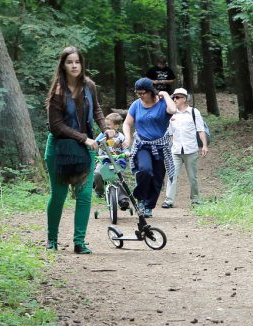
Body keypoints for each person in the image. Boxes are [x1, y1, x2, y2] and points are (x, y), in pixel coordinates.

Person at [44, 46, 114, 254]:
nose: (74, 66)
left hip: (86, 147)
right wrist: (83, 138)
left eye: (77, 62)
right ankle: (52, 239)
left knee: (84, 195)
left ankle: (79, 241)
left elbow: (98, 109)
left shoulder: (89, 86)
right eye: (69, 62)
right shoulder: (57, 91)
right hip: (60, 148)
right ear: (63, 65)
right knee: (59, 194)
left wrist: (105, 128)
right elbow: (55, 126)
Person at [122, 78, 176, 226]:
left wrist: (165, 94)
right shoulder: (136, 105)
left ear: (150, 91)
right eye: (137, 93)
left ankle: (148, 206)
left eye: (142, 93)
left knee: (157, 179)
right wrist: (127, 138)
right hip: (142, 145)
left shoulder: (163, 103)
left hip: (160, 146)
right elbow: (127, 123)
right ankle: (140, 199)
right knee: (145, 170)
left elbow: (173, 110)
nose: (140, 96)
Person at [162, 87, 208, 208]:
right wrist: (169, 147)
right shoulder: (171, 113)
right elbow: (170, 133)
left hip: (191, 149)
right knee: (172, 175)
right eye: (173, 97)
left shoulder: (194, 112)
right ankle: (169, 200)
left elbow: (200, 130)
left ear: (184, 99)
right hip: (175, 150)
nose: (175, 99)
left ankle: (195, 199)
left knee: (193, 177)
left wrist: (204, 145)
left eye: (177, 97)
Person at [92, 111, 127, 199]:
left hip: (116, 161)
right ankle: (99, 192)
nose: (106, 127)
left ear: (116, 126)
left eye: (108, 125)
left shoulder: (121, 137)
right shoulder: (102, 134)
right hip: (103, 160)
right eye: (105, 125)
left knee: (120, 176)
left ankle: (122, 197)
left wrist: (126, 152)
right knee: (97, 173)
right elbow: (95, 143)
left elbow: (125, 147)